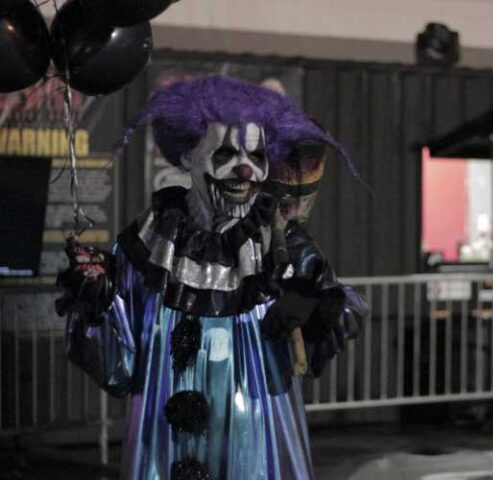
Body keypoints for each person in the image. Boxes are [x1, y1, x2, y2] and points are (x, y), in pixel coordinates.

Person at [55, 76, 368, 480]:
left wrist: (324, 306)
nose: (245, 169)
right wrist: (95, 303)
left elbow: (345, 303)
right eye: (224, 153)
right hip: (164, 447)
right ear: (187, 157)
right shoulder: (145, 247)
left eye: (257, 156)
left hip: (254, 443)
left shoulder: (283, 246)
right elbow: (119, 368)